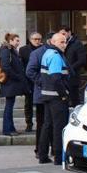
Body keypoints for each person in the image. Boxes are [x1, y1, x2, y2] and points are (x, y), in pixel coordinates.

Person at [37, 33, 70, 164]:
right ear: (53, 42)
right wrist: (64, 95)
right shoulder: (56, 56)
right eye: (61, 42)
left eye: (65, 42)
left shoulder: (47, 53)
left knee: (47, 125)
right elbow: (56, 78)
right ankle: (58, 156)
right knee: (59, 127)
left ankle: (43, 155)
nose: (64, 44)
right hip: (56, 97)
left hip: (47, 95)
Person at [0, 33, 28, 136]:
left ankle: (11, 128)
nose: (18, 43)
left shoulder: (11, 50)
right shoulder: (6, 51)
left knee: (10, 106)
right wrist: (17, 76)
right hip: (10, 84)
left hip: (12, 84)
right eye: (16, 40)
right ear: (10, 41)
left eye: (18, 41)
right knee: (9, 107)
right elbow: (5, 67)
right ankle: (7, 130)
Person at [26, 34, 49, 157]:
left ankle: (49, 150)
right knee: (42, 124)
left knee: (50, 124)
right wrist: (43, 82)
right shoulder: (37, 53)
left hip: (55, 96)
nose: (64, 44)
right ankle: (39, 150)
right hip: (41, 95)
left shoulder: (59, 52)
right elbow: (29, 71)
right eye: (61, 42)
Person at [18, 33, 42, 132]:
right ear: (30, 39)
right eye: (35, 39)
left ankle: (40, 123)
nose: (37, 41)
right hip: (28, 80)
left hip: (40, 80)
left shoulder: (43, 49)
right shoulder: (23, 50)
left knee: (40, 104)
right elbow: (21, 66)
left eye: (39, 39)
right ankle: (29, 123)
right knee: (28, 103)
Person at [59, 26, 86, 107]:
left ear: (69, 33)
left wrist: (69, 69)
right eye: (60, 34)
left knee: (74, 99)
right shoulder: (60, 43)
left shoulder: (77, 44)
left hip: (73, 76)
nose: (62, 36)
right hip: (62, 77)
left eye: (64, 34)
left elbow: (82, 60)